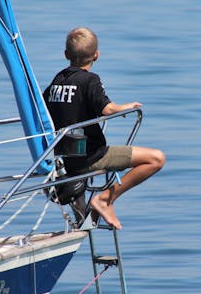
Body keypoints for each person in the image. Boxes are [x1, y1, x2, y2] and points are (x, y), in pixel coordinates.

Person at [44, 27, 165, 229]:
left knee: (83, 224)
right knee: (156, 158)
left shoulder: (57, 81)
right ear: (97, 56)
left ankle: (84, 217)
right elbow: (107, 109)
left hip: (65, 159)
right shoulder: (89, 80)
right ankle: (105, 200)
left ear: (66, 55)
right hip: (91, 156)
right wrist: (125, 107)